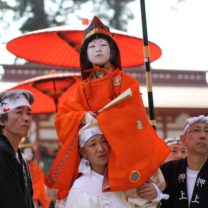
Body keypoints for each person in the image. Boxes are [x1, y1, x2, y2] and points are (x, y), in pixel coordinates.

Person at [45, 16, 170, 198]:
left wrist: (101, 119)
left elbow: (133, 117)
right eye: (92, 46)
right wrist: (83, 117)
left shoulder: (127, 82)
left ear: (112, 51)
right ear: (85, 54)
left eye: (103, 45)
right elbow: (63, 118)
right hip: (93, 158)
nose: (98, 49)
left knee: (141, 194)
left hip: (125, 155)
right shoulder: (79, 88)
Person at [65, 115, 167, 208]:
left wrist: (154, 193)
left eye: (104, 141)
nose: (100, 148)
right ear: (83, 152)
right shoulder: (82, 187)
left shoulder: (126, 176)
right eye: (92, 145)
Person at [161, 115, 208, 208]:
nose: (203, 136)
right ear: (183, 139)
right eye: (196, 130)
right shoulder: (167, 170)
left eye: (207, 131)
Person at [0, 90, 35, 208]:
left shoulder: (22, 159)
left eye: (29, 113)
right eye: (19, 112)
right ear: (1, 120)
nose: (26, 118)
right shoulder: (1, 153)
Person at [20, 141, 51, 208]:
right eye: (27, 151)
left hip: (36, 195)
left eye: (31, 152)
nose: (30, 154)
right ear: (22, 153)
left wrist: (34, 196)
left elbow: (40, 182)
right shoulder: (19, 166)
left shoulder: (36, 168)